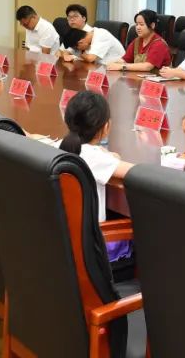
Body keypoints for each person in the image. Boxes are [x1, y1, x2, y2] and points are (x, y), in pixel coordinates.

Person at [59, 91, 135, 269]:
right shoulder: (95, 158)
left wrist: (107, 156)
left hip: (64, 244)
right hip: (94, 251)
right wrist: (110, 158)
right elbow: (136, 172)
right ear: (106, 126)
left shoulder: (59, 147)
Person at [60, 25, 125, 66]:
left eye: (77, 48)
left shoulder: (101, 35)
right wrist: (66, 56)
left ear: (81, 42)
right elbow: (66, 51)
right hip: (100, 67)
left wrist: (79, 54)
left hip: (118, 69)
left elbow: (90, 58)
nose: (78, 50)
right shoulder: (86, 37)